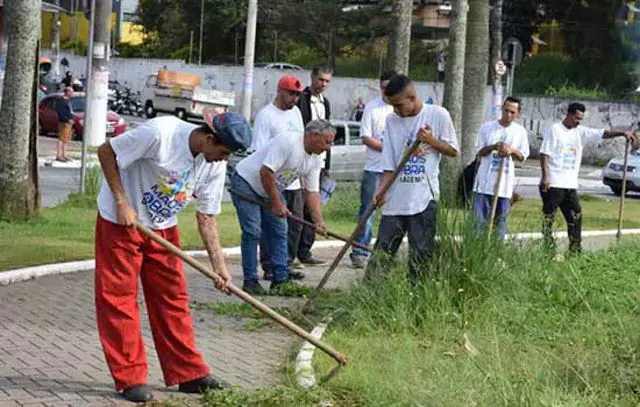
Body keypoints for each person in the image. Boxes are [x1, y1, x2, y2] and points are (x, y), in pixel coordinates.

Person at [94, 109, 252, 403]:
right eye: (223, 151)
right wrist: (121, 200)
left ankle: (188, 373)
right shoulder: (160, 134)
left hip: (162, 228)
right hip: (120, 222)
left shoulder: (214, 166)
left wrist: (220, 267)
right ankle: (130, 377)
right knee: (119, 299)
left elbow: (206, 216)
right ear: (207, 138)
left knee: (173, 298)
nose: (224, 159)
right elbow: (106, 151)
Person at [365, 74, 459, 282]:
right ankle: (369, 296)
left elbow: (453, 150)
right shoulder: (391, 120)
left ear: (412, 97)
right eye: (392, 106)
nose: (395, 110)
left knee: (420, 256)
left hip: (424, 199)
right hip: (396, 199)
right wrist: (381, 191)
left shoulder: (438, 114)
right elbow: (389, 162)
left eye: (398, 105)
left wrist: (430, 140)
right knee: (381, 253)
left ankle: (416, 300)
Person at [231, 120, 335, 295]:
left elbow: (312, 192)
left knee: (280, 230)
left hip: (270, 187)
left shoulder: (316, 159)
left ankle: (280, 279)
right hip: (246, 182)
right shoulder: (288, 141)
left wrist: (319, 222)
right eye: (327, 141)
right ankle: (250, 280)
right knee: (253, 231)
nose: (329, 147)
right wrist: (277, 203)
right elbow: (266, 171)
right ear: (313, 135)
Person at [539, 102, 635, 253]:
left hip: (570, 185)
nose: (579, 121)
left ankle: (575, 249)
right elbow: (544, 154)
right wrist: (545, 177)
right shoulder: (555, 130)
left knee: (576, 216)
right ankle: (548, 249)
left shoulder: (580, 132)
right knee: (549, 218)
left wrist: (622, 134)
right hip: (553, 183)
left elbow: (603, 133)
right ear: (569, 115)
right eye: (577, 118)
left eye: (581, 119)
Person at [250, 74, 306, 282]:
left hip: (292, 179)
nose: (294, 98)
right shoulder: (266, 116)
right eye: (291, 93)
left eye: (297, 95)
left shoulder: (297, 113)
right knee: (271, 225)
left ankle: (286, 263)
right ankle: (270, 266)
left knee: (295, 224)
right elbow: (259, 150)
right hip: (272, 178)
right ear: (280, 91)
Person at [349, 70, 397, 269]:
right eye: (383, 88)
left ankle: (386, 252)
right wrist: (386, 148)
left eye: (389, 88)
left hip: (395, 170)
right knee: (368, 210)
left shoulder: (400, 109)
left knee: (394, 212)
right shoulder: (372, 108)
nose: (385, 92)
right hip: (374, 168)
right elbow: (366, 137)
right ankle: (359, 250)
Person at [472, 96, 530, 241]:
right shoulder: (487, 127)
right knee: (478, 224)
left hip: (504, 187)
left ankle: (496, 253)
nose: (508, 115)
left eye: (512, 112)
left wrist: (511, 151)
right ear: (501, 109)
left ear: (518, 114)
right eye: (506, 111)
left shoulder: (520, 132)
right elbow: (479, 152)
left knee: (500, 224)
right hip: (484, 185)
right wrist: (493, 147)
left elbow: (522, 156)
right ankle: (477, 251)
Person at [295, 63, 333, 266]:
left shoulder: (325, 103)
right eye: (321, 80)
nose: (323, 84)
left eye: (327, 81)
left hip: (319, 159)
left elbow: (329, 131)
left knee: (314, 205)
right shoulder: (301, 99)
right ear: (312, 77)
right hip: (304, 157)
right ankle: (293, 250)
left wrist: (327, 164)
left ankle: (305, 249)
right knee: (300, 206)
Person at [55, 87, 75, 162]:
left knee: (66, 139)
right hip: (64, 122)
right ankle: (59, 155)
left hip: (68, 123)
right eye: (71, 92)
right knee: (61, 138)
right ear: (67, 92)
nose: (72, 93)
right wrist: (67, 119)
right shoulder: (61, 101)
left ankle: (64, 154)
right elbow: (60, 112)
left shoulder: (68, 101)